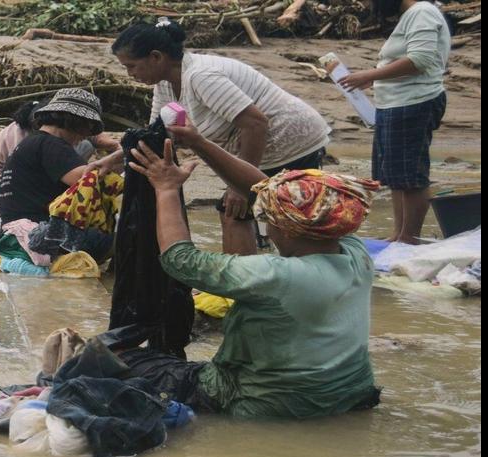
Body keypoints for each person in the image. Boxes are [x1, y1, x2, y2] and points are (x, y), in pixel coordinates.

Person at [118, 122, 381, 419]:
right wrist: (199, 142)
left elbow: (180, 260)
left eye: (270, 218)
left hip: (265, 403)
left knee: (123, 360)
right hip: (350, 395)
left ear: (286, 229)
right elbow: (264, 190)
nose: (267, 224)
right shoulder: (356, 254)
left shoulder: (276, 274)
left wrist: (166, 189)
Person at [112, 18, 331, 257]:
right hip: (258, 147)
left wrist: (239, 188)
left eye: (131, 66)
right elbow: (155, 134)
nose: (129, 73)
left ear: (156, 57)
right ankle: (241, 286)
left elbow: (255, 124)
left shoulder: (201, 76)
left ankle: (255, 284)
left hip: (291, 140)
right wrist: (112, 160)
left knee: (287, 221)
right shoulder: (165, 84)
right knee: (234, 212)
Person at [338, 0, 451, 244]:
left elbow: (419, 61)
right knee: (395, 175)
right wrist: (376, 81)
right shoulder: (411, 14)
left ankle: (410, 237)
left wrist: (370, 75)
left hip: (414, 102)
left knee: (410, 174)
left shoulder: (422, 12)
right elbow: (404, 61)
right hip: (396, 103)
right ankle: (399, 233)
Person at [0, 88, 125, 227]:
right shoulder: (52, 145)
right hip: (36, 228)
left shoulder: (31, 142)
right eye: (89, 127)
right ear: (76, 121)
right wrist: (123, 156)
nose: (86, 135)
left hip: (15, 225)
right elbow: (88, 179)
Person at [0, 99, 119, 206]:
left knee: (85, 145)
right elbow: (84, 180)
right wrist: (118, 160)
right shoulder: (26, 141)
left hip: (21, 179)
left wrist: (112, 145)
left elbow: (90, 135)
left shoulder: (45, 129)